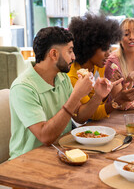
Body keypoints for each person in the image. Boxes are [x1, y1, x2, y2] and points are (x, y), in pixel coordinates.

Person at [9, 26, 123, 160]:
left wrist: (99, 96)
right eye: (69, 51)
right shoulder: (23, 87)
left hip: (61, 153)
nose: (74, 57)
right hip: (28, 160)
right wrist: (76, 95)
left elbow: (80, 116)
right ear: (54, 54)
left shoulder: (61, 78)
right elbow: (45, 137)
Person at [68, 13, 134, 120]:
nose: (108, 54)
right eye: (104, 49)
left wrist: (108, 88)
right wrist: (118, 100)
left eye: (109, 47)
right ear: (89, 47)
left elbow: (98, 102)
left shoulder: (99, 66)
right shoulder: (73, 76)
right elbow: (92, 114)